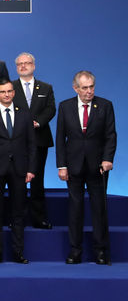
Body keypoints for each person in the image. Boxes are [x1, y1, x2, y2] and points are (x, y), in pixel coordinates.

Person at [56, 70, 116, 265]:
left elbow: (110, 135)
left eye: (91, 87)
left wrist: (107, 159)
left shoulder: (105, 105)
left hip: (98, 167)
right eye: (85, 88)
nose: (89, 91)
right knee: (75, 210)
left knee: (99, 210)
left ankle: (100, 252)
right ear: (76, 88)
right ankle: (75, 250)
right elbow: (60, 138)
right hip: (73, 166)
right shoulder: (65, 107)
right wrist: (61, 166)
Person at [0, 80, 35, 264]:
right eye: (2, 92)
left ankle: (18, 252)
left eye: (10, 91)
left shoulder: (25, 114)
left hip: (19, 169)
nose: (7, 94)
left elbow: (31, 145)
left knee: (18, 212)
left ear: (14, 93)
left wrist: (31, 169)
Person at [12, 53, 56, 229]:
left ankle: (39, 218)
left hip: (39, 139)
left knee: (37, 180)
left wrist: (37, 122)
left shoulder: (46, 87)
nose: (23, 66)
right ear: (16, 68)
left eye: (27, 63)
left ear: (34, 66)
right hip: (16, 140)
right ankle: (17, 218)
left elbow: (51, 109)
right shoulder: (10, 87)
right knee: (17, 181)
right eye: (20, 64)